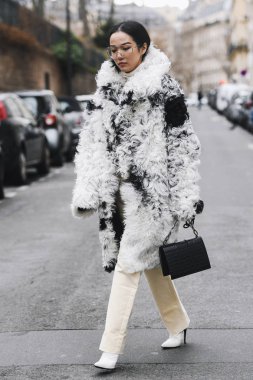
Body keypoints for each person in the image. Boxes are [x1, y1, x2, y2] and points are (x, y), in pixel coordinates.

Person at [71, 20, 203, 371]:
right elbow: (91, 142)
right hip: (117, 194)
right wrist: (89, 190)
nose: (119, 55)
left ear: (144, 46)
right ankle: (178, 323)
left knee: (129, 264)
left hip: (154, 194)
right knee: (152, 264)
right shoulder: (105, 92)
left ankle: (110, 349)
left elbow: (183, 145)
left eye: (126, 47)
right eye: (113, 49)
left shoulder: (165, 88)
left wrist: (185, 195)